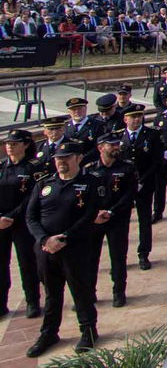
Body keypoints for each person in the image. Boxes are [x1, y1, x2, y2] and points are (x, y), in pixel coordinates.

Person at [25, 140, 100, 357]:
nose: (61, 162)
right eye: (58, 159)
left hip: (74, 248)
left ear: (78, 158)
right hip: (46, 249)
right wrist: (44, 240)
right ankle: (49, 333)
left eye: (66, 158)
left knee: (80, 291)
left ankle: (88, 330)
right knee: (52, 293)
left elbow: (89, 216)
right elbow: (31, 217)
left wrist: (65, 237)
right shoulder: (44, 184)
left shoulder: (90, 183)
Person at [85, 134, 136, 308]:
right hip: (95, 220)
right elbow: (85, 196)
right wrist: (94, 214)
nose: (116, 147)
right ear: (101, 148)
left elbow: (129, 194)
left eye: (117, 144)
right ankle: (89, 293)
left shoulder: (127, 168)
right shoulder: (89, 169)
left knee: (118, 257)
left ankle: (119, 292)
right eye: (111, 145)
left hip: (117, 218)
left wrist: (111, 211)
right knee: (90, 258)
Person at [0, 130, 41, 319]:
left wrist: (12, 216)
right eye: (8, 143)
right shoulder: (2, 166)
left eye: (14, 143)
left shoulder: (32, 167)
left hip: (22, 222)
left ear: (25, 145)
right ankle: (2, 303)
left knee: (27, 263)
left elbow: (32, 197)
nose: (10, 147)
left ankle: (32, 301)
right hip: (1, 223)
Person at [117, 104, 162, 272]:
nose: (136, 120)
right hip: (123, 186)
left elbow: (156, 161)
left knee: (144, 220)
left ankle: (144, 253)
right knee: (121, 223)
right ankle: (120, 256)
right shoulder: (118, 136)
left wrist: (141, 181)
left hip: (144, 184)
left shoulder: (152, 135)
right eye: (132, 117)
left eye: (139, 116)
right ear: (125, 119)